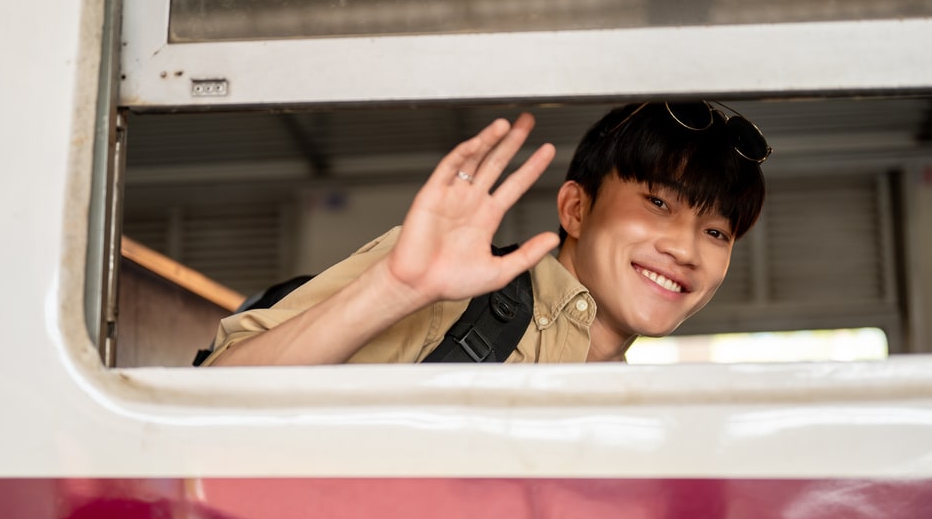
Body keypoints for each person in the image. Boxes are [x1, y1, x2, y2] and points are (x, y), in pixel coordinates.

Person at [202, 101, 770, 366]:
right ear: (575, 209)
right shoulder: (449, 295)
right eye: (658, 203)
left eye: (716, 232)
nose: (684, 250)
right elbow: (214, 395)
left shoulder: (631, 417)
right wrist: (397, 289)